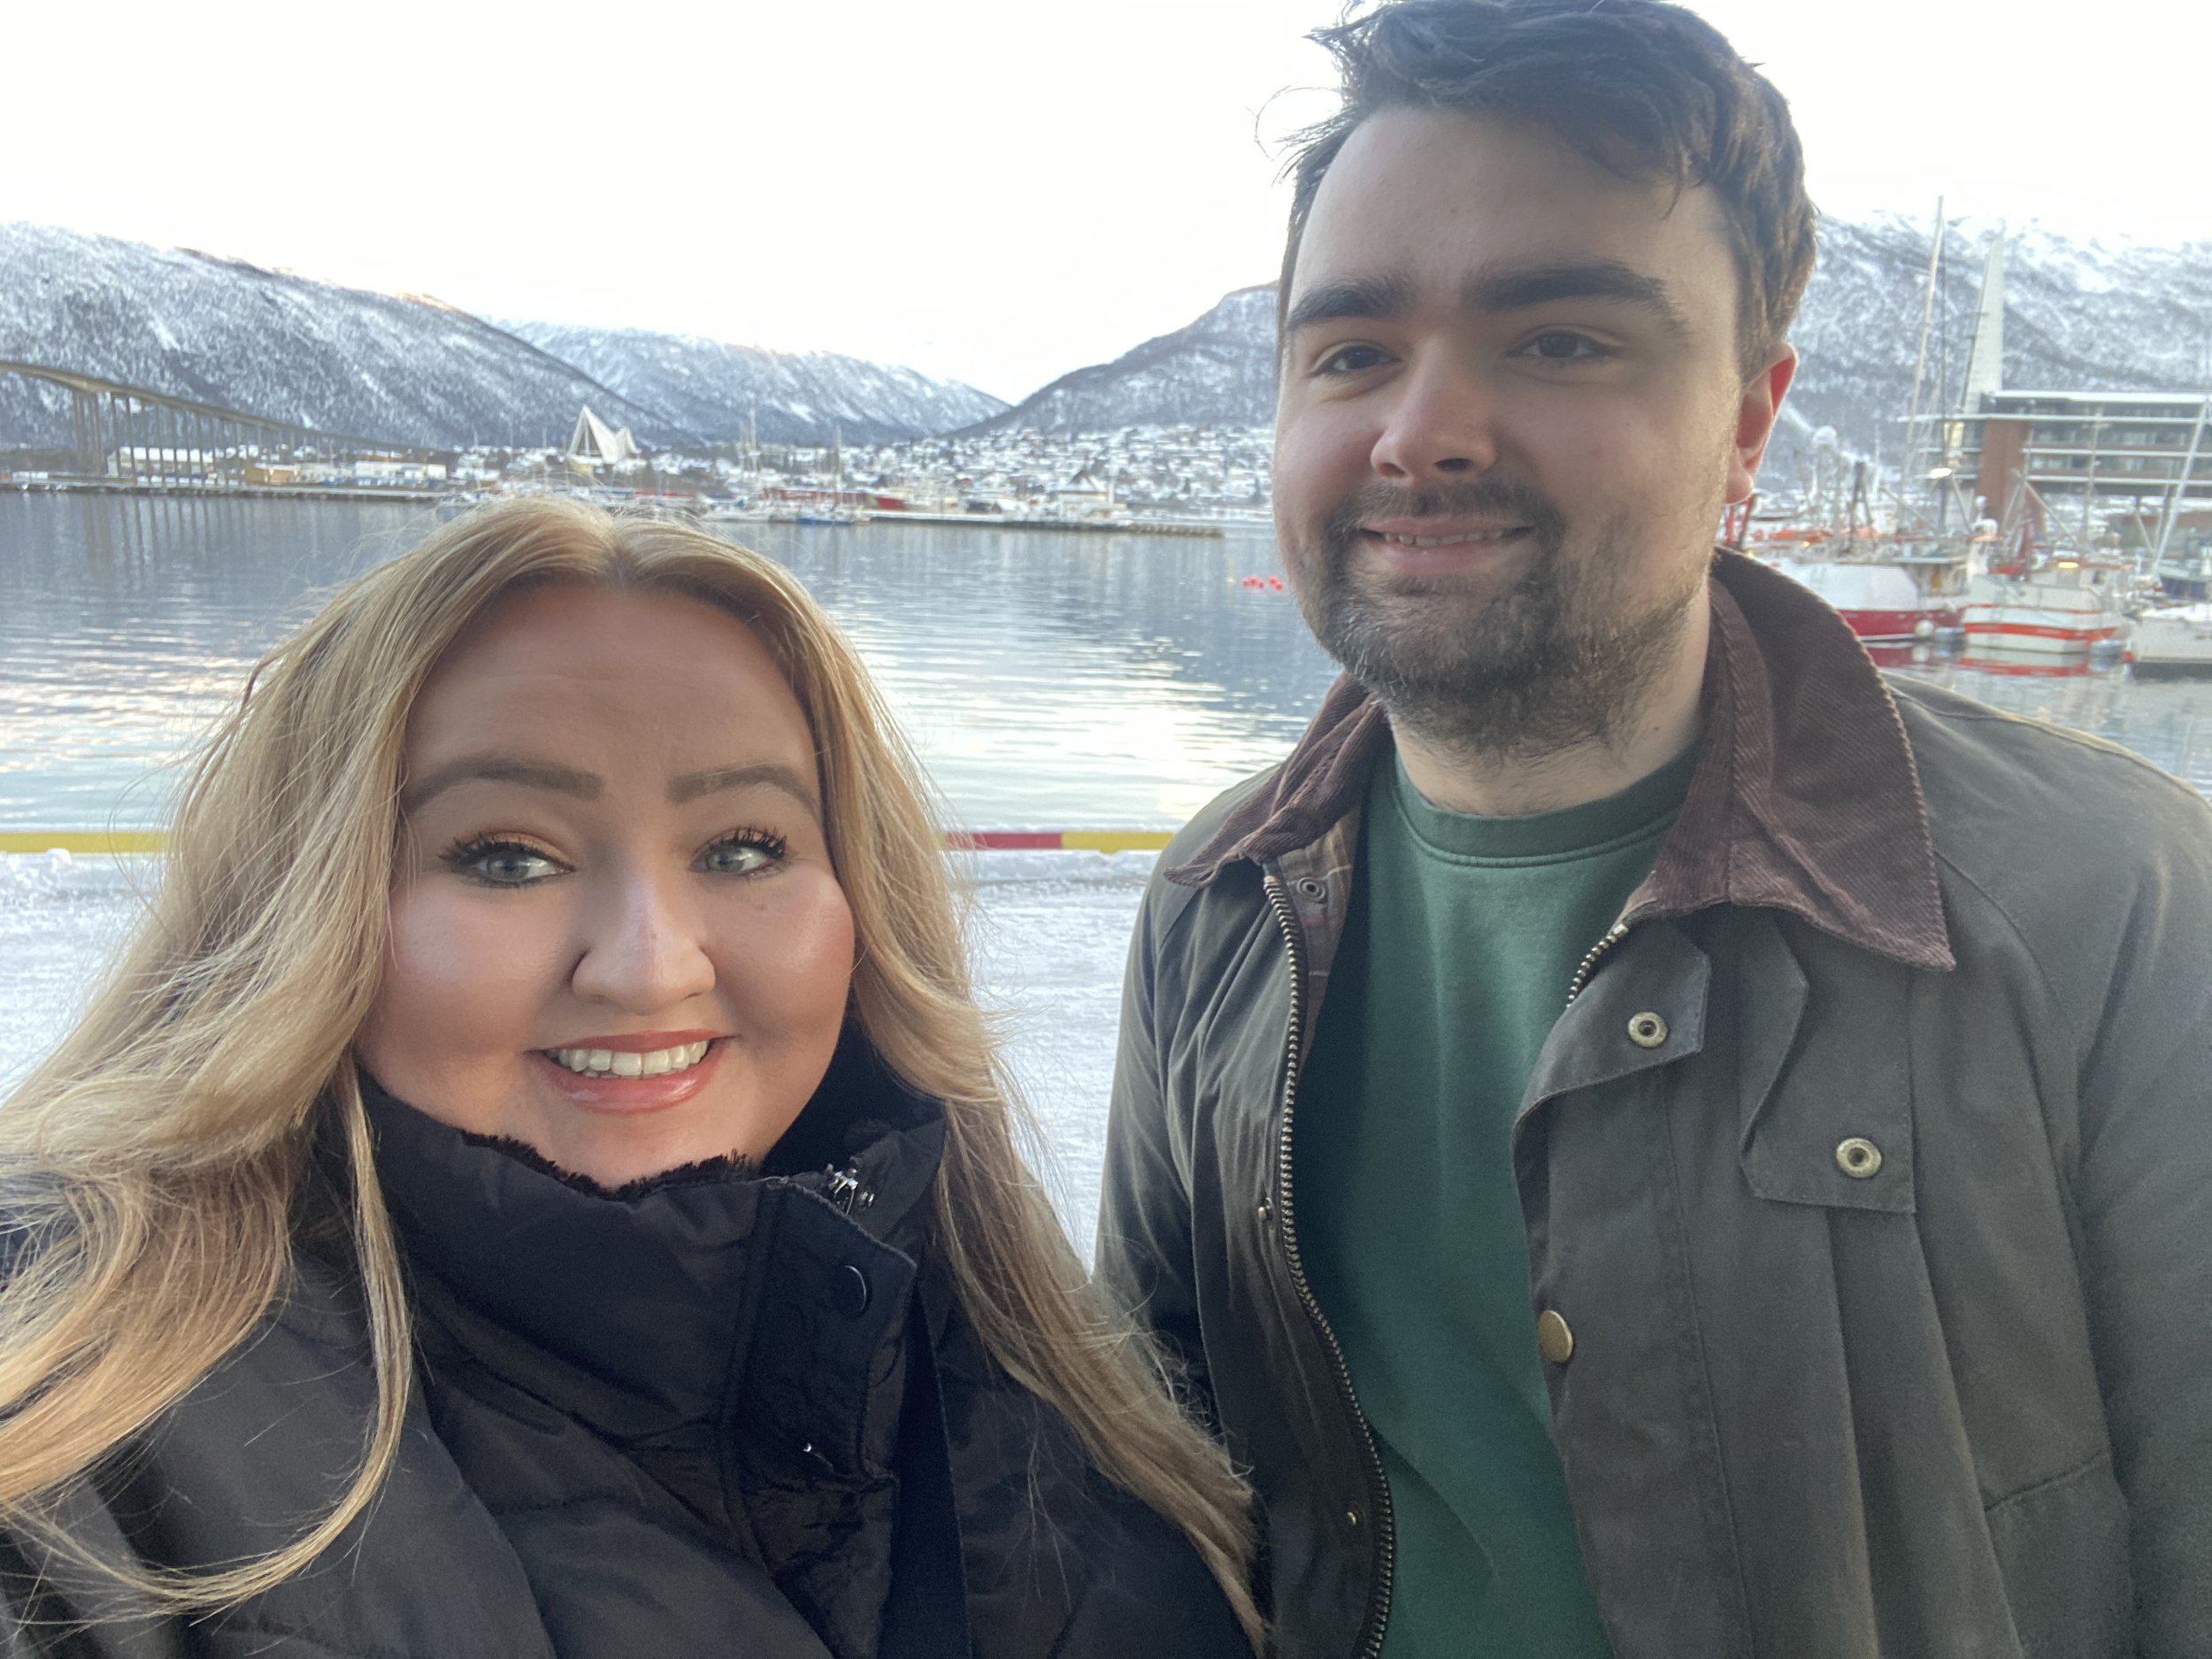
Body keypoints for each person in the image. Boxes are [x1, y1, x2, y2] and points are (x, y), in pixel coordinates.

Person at [1094, 3, 2212, 1655]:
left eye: (1560, 341)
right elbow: (1156, 1486)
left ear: (1750, 417)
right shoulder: (1218, 905)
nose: (1423, 431)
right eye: (1349, 353)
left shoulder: (2114, 905)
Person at [0, 497, 1261, 1658]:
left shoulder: (1008, 1329)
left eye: (746, 846)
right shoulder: (83, 1403)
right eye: (506, 857)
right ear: (307, 910)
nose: (651, 966)